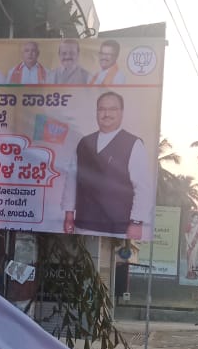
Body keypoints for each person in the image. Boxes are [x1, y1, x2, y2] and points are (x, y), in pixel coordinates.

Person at [62, 91, 152, 239]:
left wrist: (136, 222)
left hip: (119, 229)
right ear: (96, 112)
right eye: (102, 109)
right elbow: (72, 180)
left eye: (112, 109)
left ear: (121, 112)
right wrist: (69, 214)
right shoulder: (84, 143)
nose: (106, 114)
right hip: (83, 226)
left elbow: (142, 188)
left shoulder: (133, 144)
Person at [183, 212, 198, 280]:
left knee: (194, 258)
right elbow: (186, 234)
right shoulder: (189, 225)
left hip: (196, 245)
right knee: (189, 258)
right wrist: (189, 243)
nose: (196, 219)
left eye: (197, 218)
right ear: (192, 218)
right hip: (189, 244)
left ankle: (193, 272)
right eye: (195, 218)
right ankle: (189, 272)